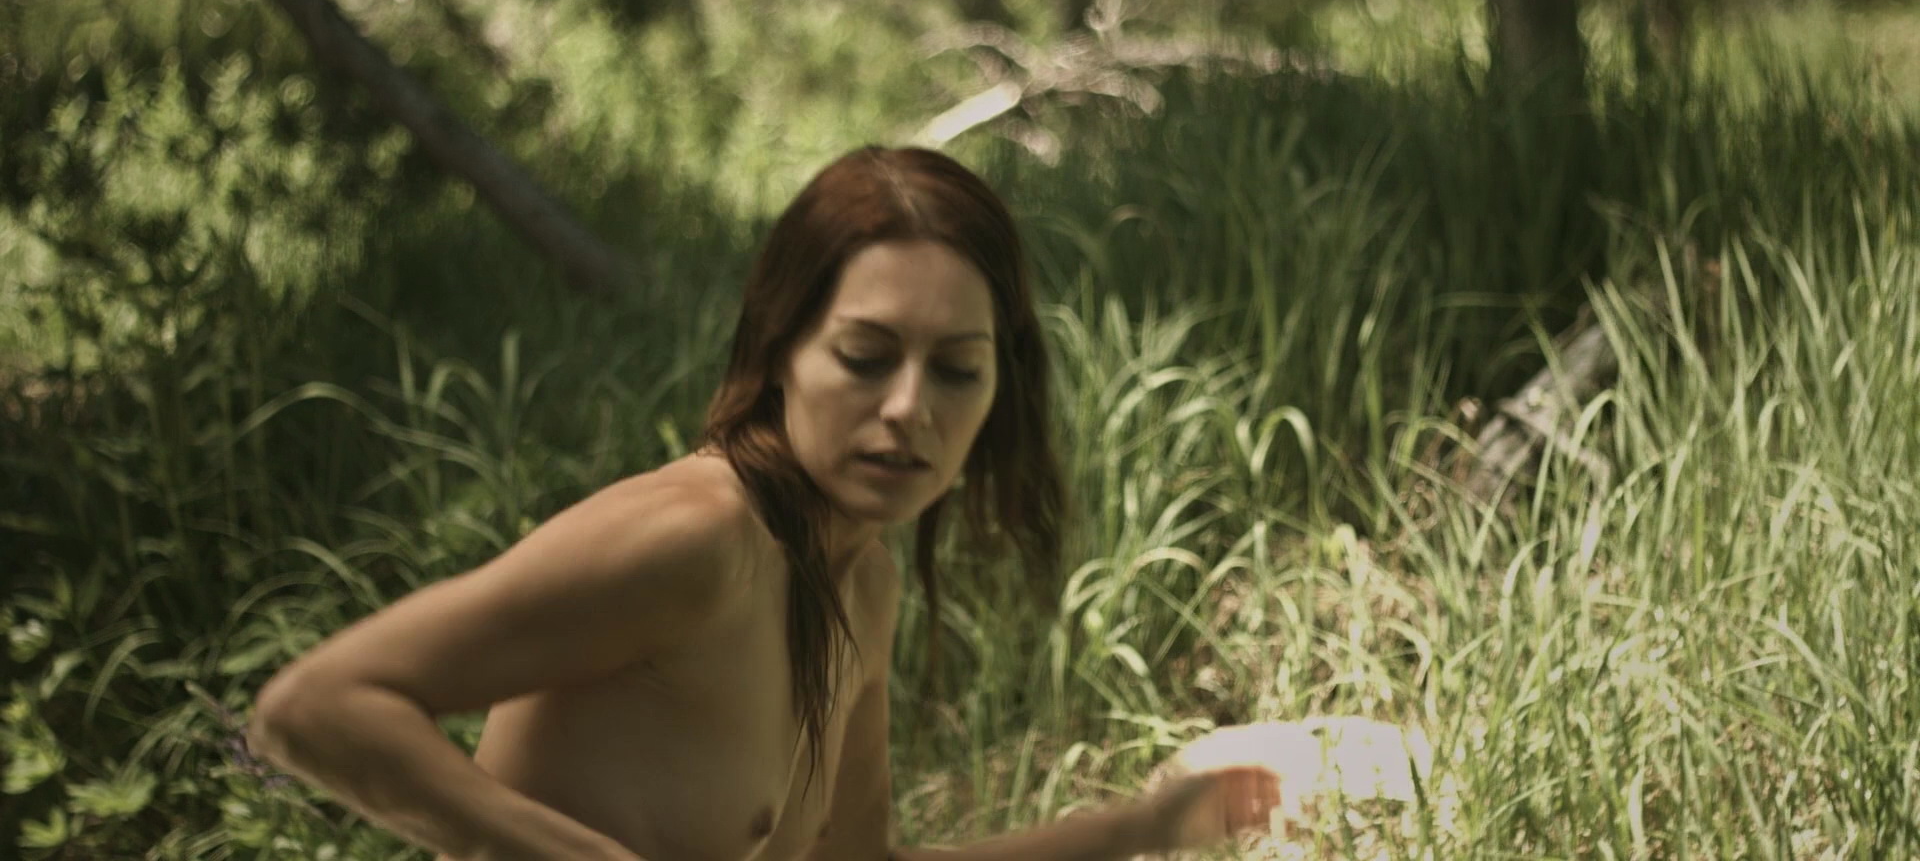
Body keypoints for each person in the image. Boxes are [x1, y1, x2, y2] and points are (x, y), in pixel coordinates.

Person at [248, 145, 1281, 861]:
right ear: (780, 349)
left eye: (957, 369)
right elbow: (314, 707)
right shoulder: (694, 541)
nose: (909, 408)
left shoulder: (861, 584)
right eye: (865, 356)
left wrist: (1148, 825)